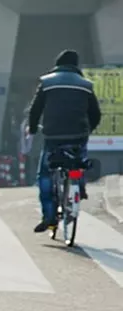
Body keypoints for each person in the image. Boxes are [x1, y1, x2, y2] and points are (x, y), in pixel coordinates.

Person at [27, 49, 101, 233]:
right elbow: (96, 114)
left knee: (45, 174)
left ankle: (49, 215)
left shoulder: (46, 82)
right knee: (78, 160)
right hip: (78, 137)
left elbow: (35, 110)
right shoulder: (86, 85)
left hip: (53, 136)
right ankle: (79, 185)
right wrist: (88, 130)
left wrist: (33, 128)